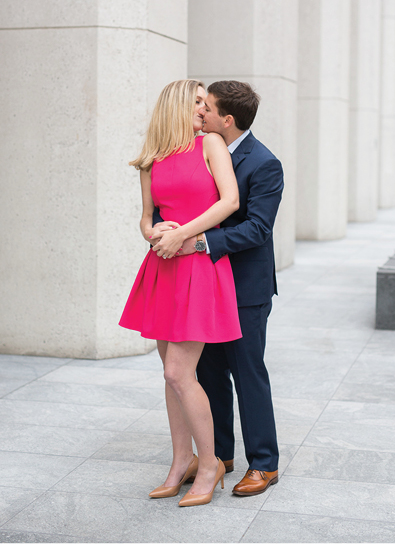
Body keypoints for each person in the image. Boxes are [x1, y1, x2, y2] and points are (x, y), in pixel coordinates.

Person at [119, 79, 241, 507]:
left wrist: (184, 233)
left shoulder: (211, 144)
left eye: (205, 104)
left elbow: (229, 201)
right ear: (176, 107)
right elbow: (146, 217)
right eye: (196, 103)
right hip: (163, 266)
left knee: (178, 372)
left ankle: (210, 464)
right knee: (170, 376)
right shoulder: (152, 158)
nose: (203, 111)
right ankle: (180, 461)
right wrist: (155, 232)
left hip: (199, 266)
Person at [161, 80, 284, 497]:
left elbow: (257, 228)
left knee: (248, 374)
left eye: (206, 108)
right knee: (209, 373)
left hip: (245, 287)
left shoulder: (264, 163)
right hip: (205, 285)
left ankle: (264, 464)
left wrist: (198, 241)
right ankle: (221, 456)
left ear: (226, 120)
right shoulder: (197, 150)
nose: (199, 113)